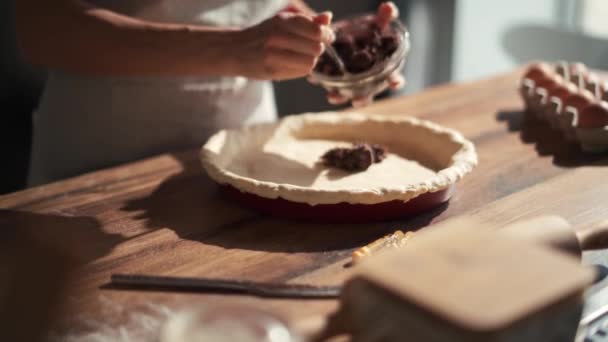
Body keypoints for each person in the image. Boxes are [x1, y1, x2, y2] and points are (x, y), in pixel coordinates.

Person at [15, 0, 402, 186]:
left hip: (246, 163)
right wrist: (232, 51)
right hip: (102, 167)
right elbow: (41, 29)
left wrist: (333, 45)